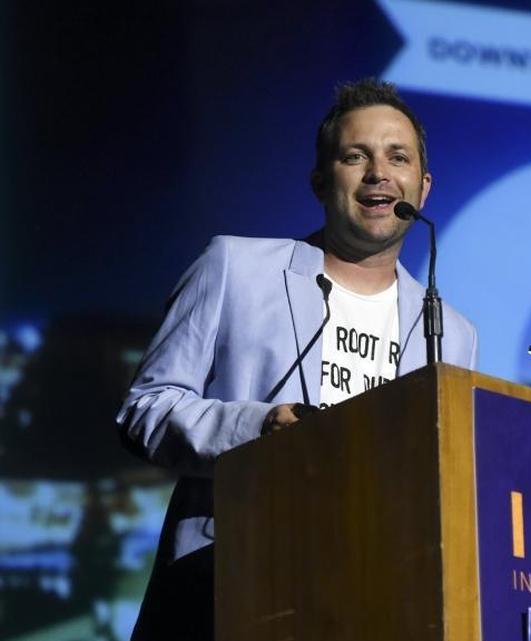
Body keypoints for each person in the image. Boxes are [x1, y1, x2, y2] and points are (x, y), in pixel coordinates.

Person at [117, 79, 477, 641]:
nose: (378, 173)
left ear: (423, 188)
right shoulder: (234, 267)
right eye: (355, 156)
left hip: (376, 608)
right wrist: (260, 427)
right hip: (227, 588)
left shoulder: (452, 334)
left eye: (397, 157)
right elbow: (147, 410)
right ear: (320, 181)